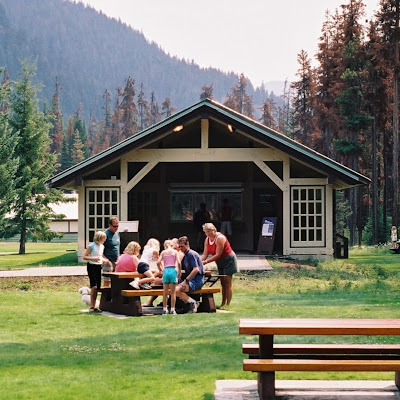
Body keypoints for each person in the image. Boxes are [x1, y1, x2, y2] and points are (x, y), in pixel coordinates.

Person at [201, 222, 238, 308]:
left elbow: (218, 254)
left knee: (227, 282)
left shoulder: (220, 238)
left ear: (214, 230)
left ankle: (228, 304)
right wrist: (199, 262)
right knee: (222, 282)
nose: (208, 233)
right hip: (219, 261)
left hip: (228, 259)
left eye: (210, 231)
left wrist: (206, 262)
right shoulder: (207, 239)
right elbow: (205, 254)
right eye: (206, 232)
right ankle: (222, 303)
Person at [176, 236, 204, 313]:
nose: (181, 248)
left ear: (187, 244)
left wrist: (185, 281)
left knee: (176, 290)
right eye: (179, 247)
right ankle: (187, 304)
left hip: (196, 280)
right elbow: (182, 269)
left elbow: (196, 269)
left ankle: (193, 303)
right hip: (190, 280)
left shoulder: (191, 254)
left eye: (182, 246)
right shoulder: (185, 256)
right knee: (170, 286)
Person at [82, 230, 109, 313]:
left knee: (98, 287)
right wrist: (94, 259)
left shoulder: (102, 246)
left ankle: (95, 306)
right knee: (94, 286)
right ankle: (92, 306)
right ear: (99, 238)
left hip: (98, 266)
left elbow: (101, 255)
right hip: (91, 266)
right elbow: (84, 256)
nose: (105, 239)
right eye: (104, 238)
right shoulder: (92, 246)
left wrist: (105, 260)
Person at [157, 239, 181, 315]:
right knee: (173, 292)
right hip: (173, 270)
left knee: (165, 292)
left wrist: (161, 270)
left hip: (166, 270)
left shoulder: (163, 252)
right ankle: (173, 309)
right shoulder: (175, 252)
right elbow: (179, 262)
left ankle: (164, 309)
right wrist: (179, 271)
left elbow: (158, 262)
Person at [103, 217, 120, 287]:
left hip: (116, 261)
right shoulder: (105, 234)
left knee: (116, 281)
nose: (116, 228)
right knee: (107, 282)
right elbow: (99, 249)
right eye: (114, 226)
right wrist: (105, 259)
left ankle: (114, 297)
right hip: (108, 261)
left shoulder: (117, 234)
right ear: (109, 225)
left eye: (117, 226)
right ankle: (104, 297)